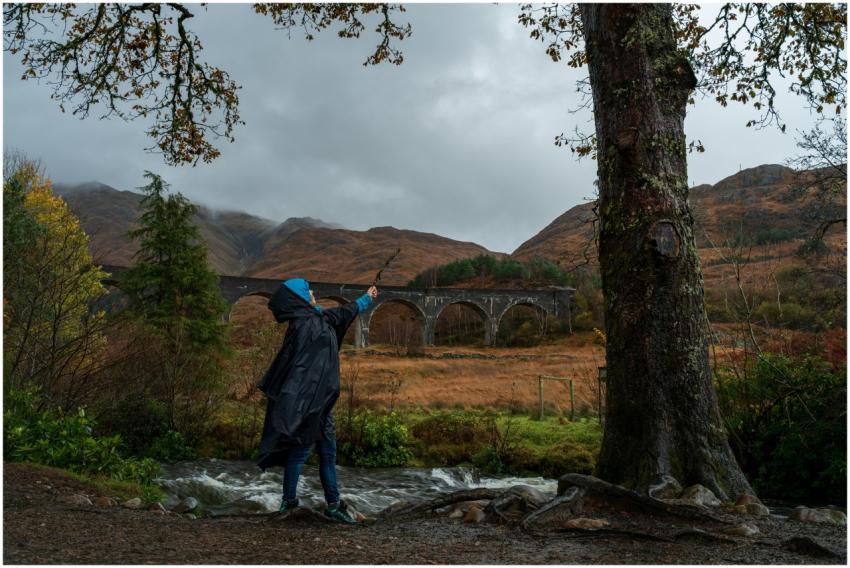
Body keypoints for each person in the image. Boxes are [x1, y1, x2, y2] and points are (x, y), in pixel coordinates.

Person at [256, 277, 378, 523]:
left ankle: (331, 504)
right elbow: (300, 370)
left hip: (320, 405)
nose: (312, 292)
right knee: (301, 454)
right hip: (308, 406)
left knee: (327, 453)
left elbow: (344, 312)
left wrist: (367, 297)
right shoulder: (307, 325)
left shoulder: (315, 320)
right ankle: (292, 502)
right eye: (308, 291)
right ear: (300, 298)